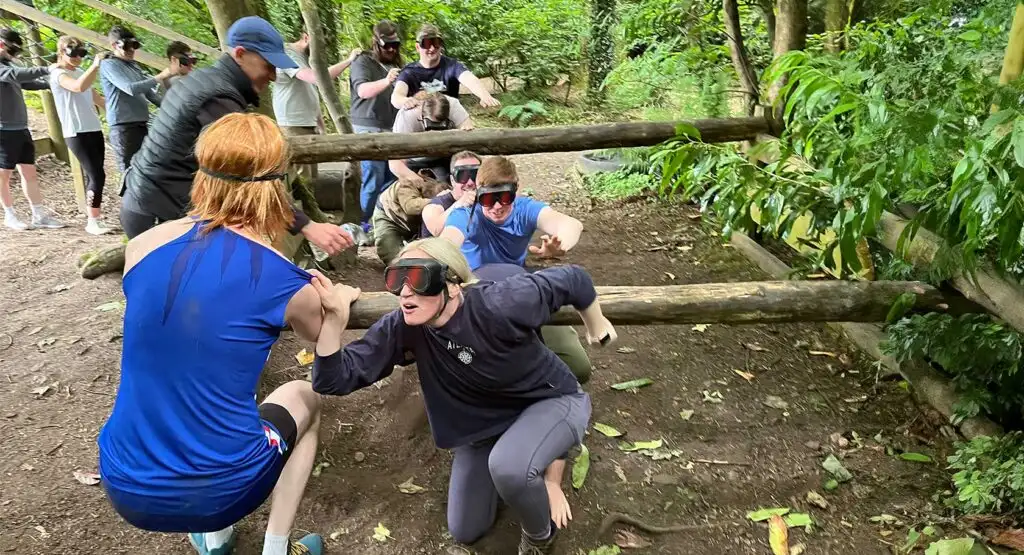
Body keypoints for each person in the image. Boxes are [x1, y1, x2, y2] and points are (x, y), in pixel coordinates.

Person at [98, 113, 329, 555]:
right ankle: (277, 547)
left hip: (123, 479)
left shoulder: (142, 246)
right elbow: (320, 346)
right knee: (305, 398)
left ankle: (218, 541)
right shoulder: (285, 280)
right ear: (276, 185)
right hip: (221, 491)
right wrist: (333, 307)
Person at [309, 237, 617, 554]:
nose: (404, 291)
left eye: (418, 278)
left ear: (452, 284)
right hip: (484, 429)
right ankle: (524, 466)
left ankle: (540, 536)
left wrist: (596, 324)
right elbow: (333, 379)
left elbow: (574, 278)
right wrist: (334, 320)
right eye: (397, 278)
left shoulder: (499, 304)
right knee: (466, 528)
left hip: (551, 400)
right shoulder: (404, 325)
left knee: (509, 467)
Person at [119, 16, 354, 256]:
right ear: (240, 54)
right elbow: (248, 177)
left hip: (152, 203)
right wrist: (306, 225)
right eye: (268, 65)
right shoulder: (218, 100)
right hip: (159, 213)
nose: (273, 76)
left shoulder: (206, 82)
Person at [439, 155, 593, 383]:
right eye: (489, 198)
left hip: (521, 289)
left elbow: (570, 224)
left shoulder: (524, 209)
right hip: (477, 297)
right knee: (475, 370)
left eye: (505, 196)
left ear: (517, 189)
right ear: (478, 193)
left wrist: (560, 245)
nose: (497, 206)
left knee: (575, 365)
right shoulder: (466, 213)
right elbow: (448, 241)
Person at [272, 32, 360, 183]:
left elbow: (310, 91)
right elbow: (316, 78)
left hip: (308, 124)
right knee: (299, 179)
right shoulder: (284, 55)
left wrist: (320, 125)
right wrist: (349, 61)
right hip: (293, 126)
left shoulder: (305, 60)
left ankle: (308, 206)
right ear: (306, 38)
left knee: (311, 178)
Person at [0, 28, 64, 231]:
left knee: (29, 172)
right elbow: (14, 75)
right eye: (11, 49)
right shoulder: (5, 68)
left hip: (21, 127)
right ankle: (9, 215)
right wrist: (48, 69)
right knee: (4, 175)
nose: (14, 55)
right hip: (4, 130)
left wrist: (52, 83)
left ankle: (39, 215)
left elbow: (27, 82)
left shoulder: (9, 63)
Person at [100, 25, 184, 173]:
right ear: (114, 45)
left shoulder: (133, 65)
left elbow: (149, 94)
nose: (132, 50)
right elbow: (130, 88)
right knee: (129, 172)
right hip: (124, 128)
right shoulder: (109, 65)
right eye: (127, 46)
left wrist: (173, 109)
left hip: (140, 124)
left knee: (144, 170)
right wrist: (161, 76)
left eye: (134, 46)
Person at [50, 36, 113, 235]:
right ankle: (92, 221)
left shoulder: (79, 72)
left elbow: (97, 98)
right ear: (61, 52)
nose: (78, 57)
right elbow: (77, 87)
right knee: (96, 174)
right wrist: (95, 65)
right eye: (73, 53)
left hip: (93, 127)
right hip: (76, 131)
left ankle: (94, 217)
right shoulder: (57, 74)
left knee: (95, 174)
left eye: (81, 53)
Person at [349, 20, 402, 232]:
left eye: (394, 45)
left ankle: (383, 222)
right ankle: (364, 225)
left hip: (392, 126)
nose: (391, 49)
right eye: (386, 45)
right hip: (368, 126)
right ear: (376, 43)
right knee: (373, 177)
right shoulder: (363, 62)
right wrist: (387, 81)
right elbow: (363, 91)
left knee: (392, 177)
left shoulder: (398, 64)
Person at [390, 24, 499, 110]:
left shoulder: (452, 66)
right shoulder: (409, 71)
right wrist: (406, 101)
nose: (432, 48)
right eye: (427, 44)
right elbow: (397, 96)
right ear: (418, 47)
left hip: (449, 120)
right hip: (419, 121)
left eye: (436, 43)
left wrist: (485, 95)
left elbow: (469, 79)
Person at [389, 92, 473, 185]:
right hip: (413, 158)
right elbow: (395, 162)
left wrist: (465, 131)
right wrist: (415, 179)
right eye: (431, 124)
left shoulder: (454, 106)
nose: (434, 130)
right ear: (422, 114)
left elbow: (468, 134)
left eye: (440, 124)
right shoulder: (408, 116)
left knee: (445, 185)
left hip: (443, 156)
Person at [371, 173, 446, 264]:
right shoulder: (408, 183)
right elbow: (410, 207)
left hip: (415, 224)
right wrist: (440, 201)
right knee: (393, 258)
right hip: (389, 217)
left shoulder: (444, 188)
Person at [420, 151, 480, 239]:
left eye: (475, 174)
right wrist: (459, 204)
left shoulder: (486, 201)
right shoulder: (436, 205)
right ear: (452, 180)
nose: (470, 182)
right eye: (462, 176)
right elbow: (436, 230)